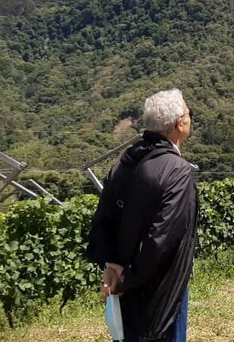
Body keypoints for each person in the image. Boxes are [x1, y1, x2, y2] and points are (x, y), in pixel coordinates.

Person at [87, 89, 198, 342]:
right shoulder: (177, 171)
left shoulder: (126, 160)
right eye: (189, 113)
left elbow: (103, 217)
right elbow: (161, 240)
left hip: (124, 282)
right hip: (161, 293)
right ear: (180, 123)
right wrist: (127, 280)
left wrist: (112, 266)